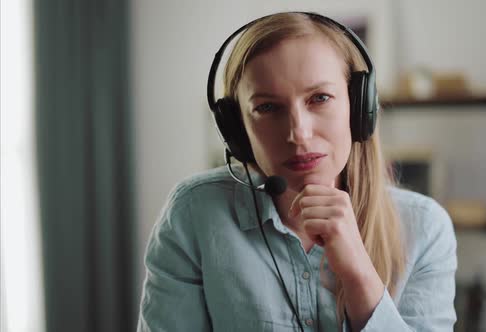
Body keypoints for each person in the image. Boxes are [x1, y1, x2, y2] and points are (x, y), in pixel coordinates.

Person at [137, 12, 457, 332]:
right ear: (236, 128)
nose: (298, 134)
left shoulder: (426, 229)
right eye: (268, 107)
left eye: (320, 98)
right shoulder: (194, 213)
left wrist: (359, 274)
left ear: (359, 107)